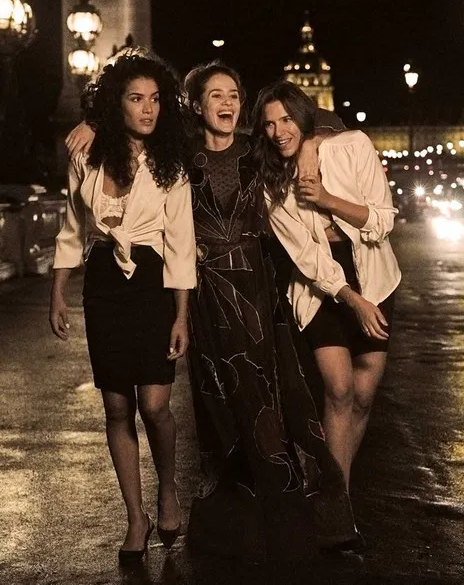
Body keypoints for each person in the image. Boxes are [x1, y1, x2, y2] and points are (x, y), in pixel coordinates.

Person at [62, 60, 358, 562]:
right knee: (219, 411)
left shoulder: (258, 149)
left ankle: (300, 522)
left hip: (258, 296)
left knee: (274, 405)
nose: (227, 103)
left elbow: (326, 127)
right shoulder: (177, 154)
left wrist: (309, 142)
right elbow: (130, 117)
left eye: (234, 94)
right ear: (196, 105)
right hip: (203, 300)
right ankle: (236, 529)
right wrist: (93, 121)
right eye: (215, 95)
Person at [50, 53, 197, 561]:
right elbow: (72, 227)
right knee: (117, 407)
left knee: (155, 406)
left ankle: (168, 490)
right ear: (117, 104)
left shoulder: (170, 165)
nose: (148, 109)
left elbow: (181, 244)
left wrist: (181, 315)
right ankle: (136, 518)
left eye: (155, 99)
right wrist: (57, 291)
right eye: (136, 98)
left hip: (154, 283)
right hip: (103, 285)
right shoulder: (86, 157)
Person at [252, 80, 401, 493]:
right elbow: (307, 258)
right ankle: (339, 505)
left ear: (304, 117)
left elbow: (382, 221)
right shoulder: (271, 182)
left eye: (286, 120)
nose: (279, 131)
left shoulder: (353, 146)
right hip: (321, 289)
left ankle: (333, 486)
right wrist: (352, 300)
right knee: (339, 390)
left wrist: (326, 199)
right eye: (269, 124)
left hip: (376, 277)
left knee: (364, 396)